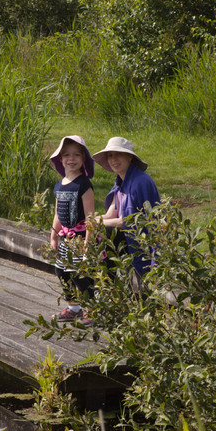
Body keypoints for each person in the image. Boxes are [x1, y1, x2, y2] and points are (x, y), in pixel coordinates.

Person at [90, 137, 160, 293]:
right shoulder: (121, 180)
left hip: (141, 242)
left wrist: (97, 224)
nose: (113, 159)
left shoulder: (140, 181)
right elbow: (111, 213)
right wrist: (89, 221)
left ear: (130, 157)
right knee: (88, 231)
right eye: (110, 155)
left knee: (105, 232)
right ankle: (100, 289)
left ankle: (108, 290)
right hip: (126, 238)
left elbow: (126, 222)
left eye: (118, 154)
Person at [47, 135, 96, 323]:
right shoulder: (59, 185)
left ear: (83, 158)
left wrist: (88, 242)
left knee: (80, 274)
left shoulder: (84, 185)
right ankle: (73, 307)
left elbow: (90, 216)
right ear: (60, 159)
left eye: (76, 155)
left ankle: (91, 309)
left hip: (81, 237)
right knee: (62, 271)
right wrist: (53, 237)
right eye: (67, 155)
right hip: (65, 237)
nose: (71, 159)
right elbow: (58, 213)